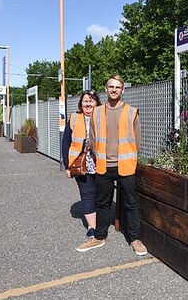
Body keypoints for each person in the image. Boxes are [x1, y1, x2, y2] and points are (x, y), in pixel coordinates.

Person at [75, 75, 148, 256]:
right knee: (102, 203)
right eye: (111, 87)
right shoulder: (97, 112)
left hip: (125, 165)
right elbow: (92, 138)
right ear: (106, 89)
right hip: (104, 165)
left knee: (131, 203)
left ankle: (134, 238)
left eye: (117, 87)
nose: (114, 90)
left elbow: (137, 141)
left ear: (122, 90)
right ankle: (99, 237)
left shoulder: (131, 112)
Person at [61, 89, 102, 252]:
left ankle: (102, 222)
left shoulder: (102, 118)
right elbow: (65, 142)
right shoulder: (74, 118)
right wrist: (67, 166)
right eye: (85, 101)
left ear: (97, 103)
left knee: (101, 194)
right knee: (87, 194)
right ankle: (92, 227)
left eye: (92, 100)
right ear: (81, 104)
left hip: (100, 163)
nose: (88, 103)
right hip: (80, 164)